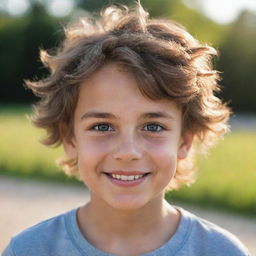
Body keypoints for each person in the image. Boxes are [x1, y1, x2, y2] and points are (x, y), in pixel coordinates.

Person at [2, 1, 251, 256]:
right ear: (70, 139)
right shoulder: (29, 250)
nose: (127, 151)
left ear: (184, 141)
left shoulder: (221, 251)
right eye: (102, 126)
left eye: (153, 126)